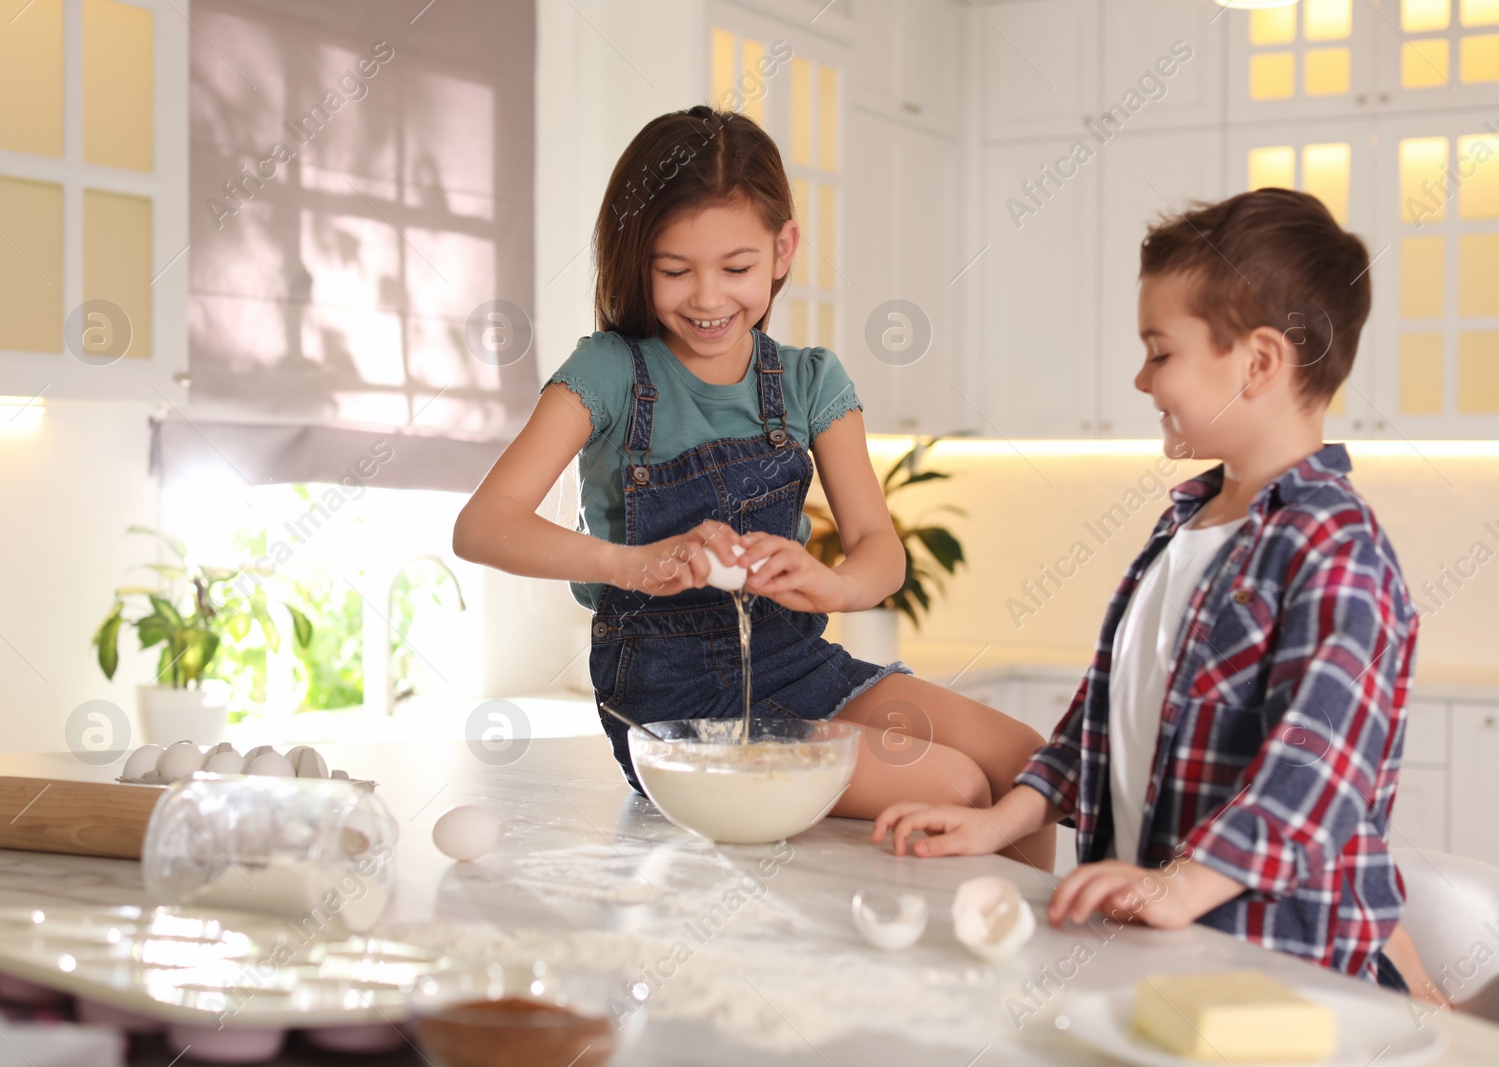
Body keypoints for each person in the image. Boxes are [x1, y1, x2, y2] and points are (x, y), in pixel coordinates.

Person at [874, 188, 1447, 1002]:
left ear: (1258, 363)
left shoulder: (1335, 550)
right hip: (1167, 961)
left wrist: (1183, 882)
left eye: (1160, 351)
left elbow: (1314, 771)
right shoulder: (1187, 523)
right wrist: (1007, 818)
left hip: (1279, 979)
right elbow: (1105, 714)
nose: (1141, 377)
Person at [453, 105, 1053, 869]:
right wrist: (632, 563)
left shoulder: (808, 382)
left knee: (1031, 761)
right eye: (675, 270)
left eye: (736, 268)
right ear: (636, 261)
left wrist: (828, 584)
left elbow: (880, 553)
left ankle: (1020, 971)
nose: (708, 299)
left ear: (783, 249)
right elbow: (483, 524)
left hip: (796, 659)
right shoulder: (609, 373)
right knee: (959, 784)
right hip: (670, 700)